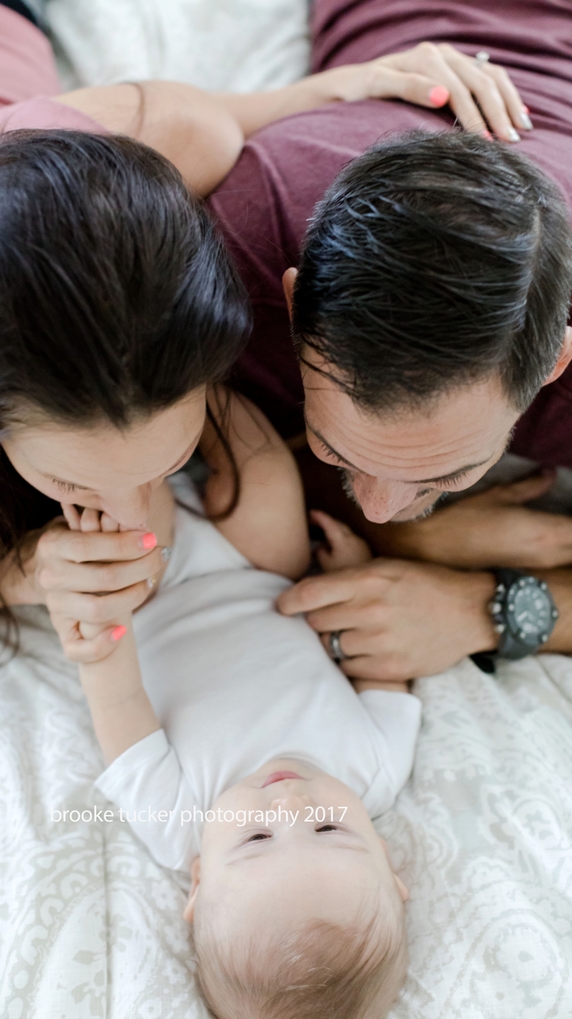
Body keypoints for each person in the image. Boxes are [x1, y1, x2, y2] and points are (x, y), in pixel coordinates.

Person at [0, 0, 529, 645]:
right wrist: (17, 576)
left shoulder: (168, 138)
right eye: (72, 482)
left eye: (168, 466)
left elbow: (250, 110)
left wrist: (358, 83)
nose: (133, 514)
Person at [208, 0, 572, 682]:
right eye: (337, 448)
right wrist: (397, 537)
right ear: (291, 305)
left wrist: (484, 607)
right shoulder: (235, 253)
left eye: (444, 474)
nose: (377, 506)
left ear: (554, 363)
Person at [56, 467, 419, 1019]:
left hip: (154, 589)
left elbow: (121, 703)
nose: (290, 804)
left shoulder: (177, 822)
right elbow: (382, 666)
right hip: (271, 571)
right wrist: (357, 577)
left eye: (255, 838)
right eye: (327, 826)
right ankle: (212, 394)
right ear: (388, 864)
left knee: (125, 515)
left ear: (199, 882)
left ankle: (144, 437)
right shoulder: (377, 771)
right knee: (263, 477)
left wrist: (99, 630)